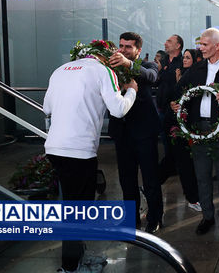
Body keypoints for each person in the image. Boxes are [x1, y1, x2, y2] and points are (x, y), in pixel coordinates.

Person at [44, 41, 137, 273]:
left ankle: (77, 258)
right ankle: (71, 267)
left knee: (71, 206)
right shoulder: (102, 71)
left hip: (55, 148)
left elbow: (47, 108)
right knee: (78, 212)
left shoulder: (60, 70)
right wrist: (132, 89)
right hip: (79, 151)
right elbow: (118, 109)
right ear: (105, 57)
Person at [170, 28, 219, 236]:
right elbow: (180, 92)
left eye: (204, 45)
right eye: (200, 44)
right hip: (198, 130)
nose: (200, 48)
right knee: (202, 176)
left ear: (217, 46)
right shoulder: (195, 69)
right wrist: (177, 105)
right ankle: (207, 216)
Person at [108, 32, 163, 234]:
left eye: (128, 47)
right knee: (126, 179)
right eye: (121, 46)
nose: (122, 50)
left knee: (150, 179)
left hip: (144, 132)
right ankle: (130, 220)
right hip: (121, 133)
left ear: (138, 50)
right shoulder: (110, 67)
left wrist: (128, 65)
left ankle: (155, 218)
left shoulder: (148, 66)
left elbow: (151, 77)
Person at [165, 49, 202, 212]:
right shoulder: (178, 74)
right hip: (177, 125)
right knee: (181, 161)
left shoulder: (197, 76)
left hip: (193, 125)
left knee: (177, 161)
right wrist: (172, 103)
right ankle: (192, 198)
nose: (185, 60)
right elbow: (169, 96)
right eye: (184, 57)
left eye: (188, 57)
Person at [156, 34, 184, 184]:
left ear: (178, 45)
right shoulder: (164, 61)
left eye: (169, 41)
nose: (165, 43)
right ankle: (171, 168)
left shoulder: (183, 62)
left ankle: (173, 168)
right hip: (162, 108)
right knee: (166, 140)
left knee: (175, 141)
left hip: (175, 109)